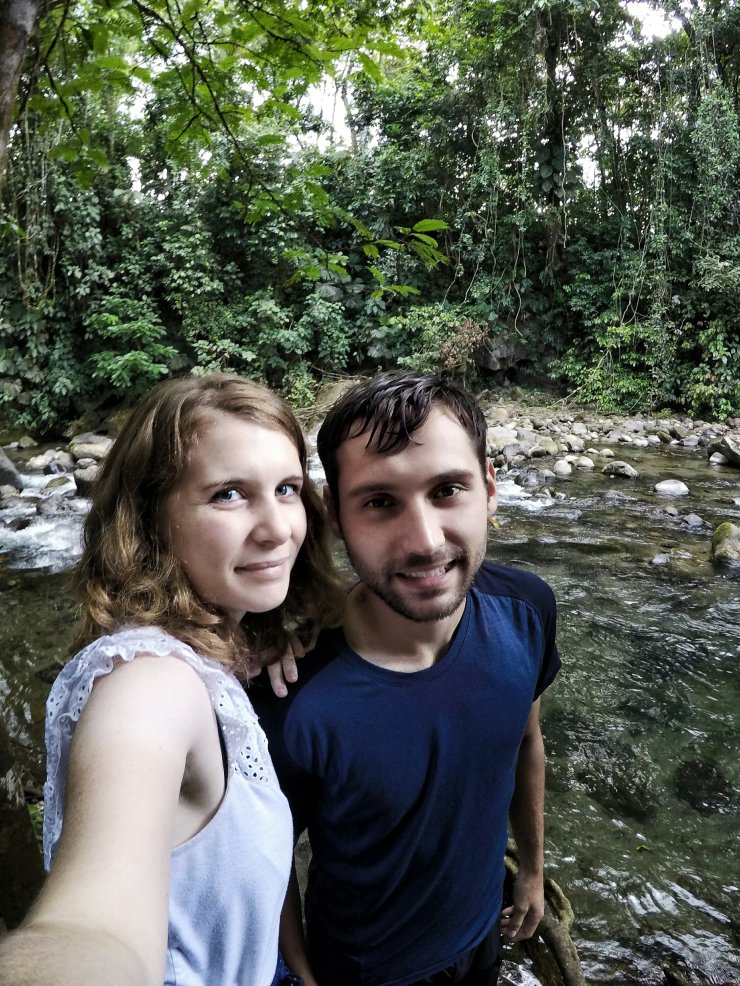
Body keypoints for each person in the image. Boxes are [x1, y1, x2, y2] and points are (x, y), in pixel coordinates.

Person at [0, 373, 342, 986]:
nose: (278, 528)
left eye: (286, 489)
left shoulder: (214, 654)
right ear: (149, 518)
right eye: (229, 495)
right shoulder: (148, 682)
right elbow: (91, 928)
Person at [253, 371, 561, 986]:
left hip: (482, 934)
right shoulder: (290, 693)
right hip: (366, 970)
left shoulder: (527, 611)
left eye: (447, 489)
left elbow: (526, 741)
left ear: (489, 488)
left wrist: (531, 872)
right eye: (379, 502)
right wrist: (302, 972)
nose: (424, 541)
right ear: (334, 516)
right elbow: (267, 854)